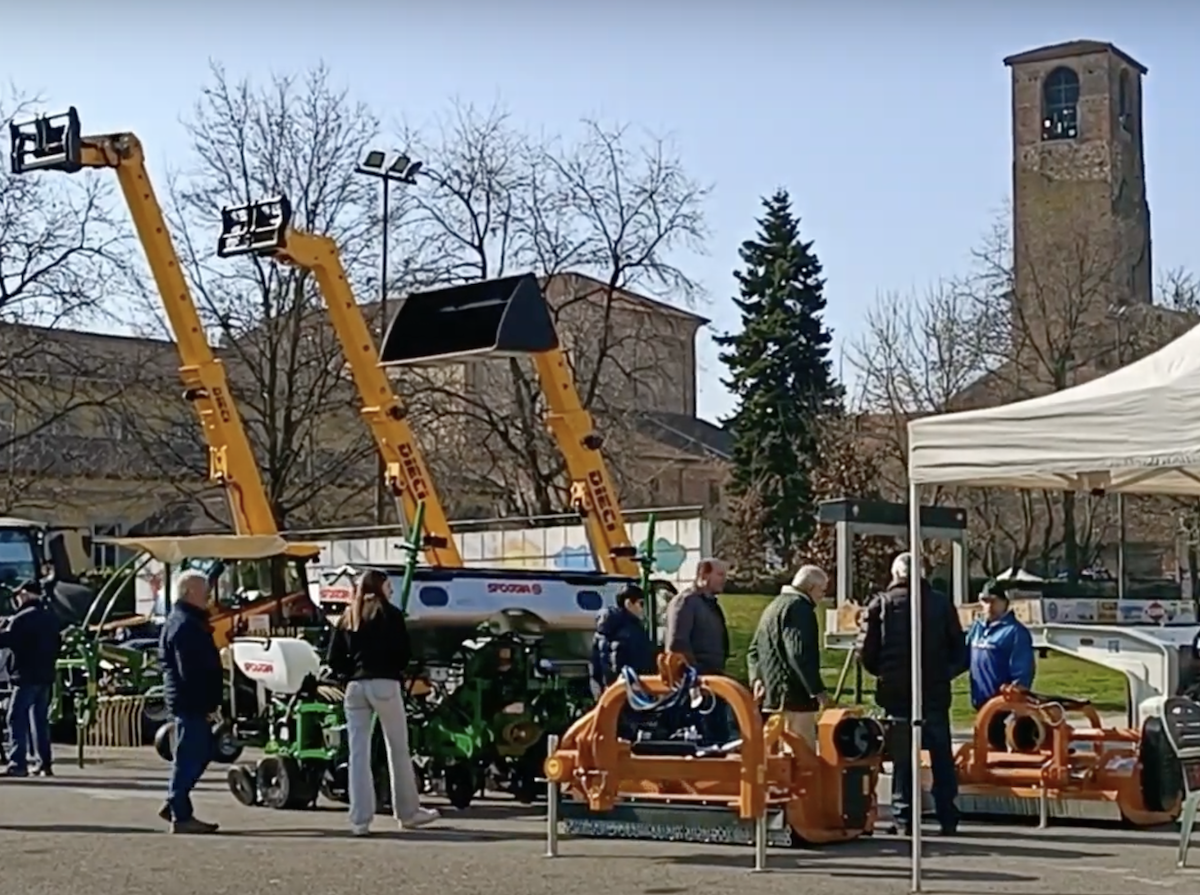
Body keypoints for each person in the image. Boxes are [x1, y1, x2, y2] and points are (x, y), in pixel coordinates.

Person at [858, 552, 966, 836]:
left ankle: (903, 817)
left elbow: (866, 653)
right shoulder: (942, 605)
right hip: (934, 690)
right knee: (941, 754)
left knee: (903, 757)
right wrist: (943, 673)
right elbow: (960, 651)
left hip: (895, 692)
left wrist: (884, 672)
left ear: (895, 575)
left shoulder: (881, 604)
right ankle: (947, 815)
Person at [326, 569, 439, 836]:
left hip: (355, 687)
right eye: (388, 585)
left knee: (357, 753)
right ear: (381, 586)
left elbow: (334, 658)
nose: (391, 590)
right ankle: (408, 812)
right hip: (385, 683)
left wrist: (347, 675)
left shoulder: (347, 617)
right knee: (397, 747)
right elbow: (403, 653)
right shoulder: (390, 614)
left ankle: (360, 820)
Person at [159, 570, 223, 833]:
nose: (208, 594)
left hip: (188, 698)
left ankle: (175, 803)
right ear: (189, 592)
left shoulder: (184, 621)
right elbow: (191, 670)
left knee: (201, 751)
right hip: (190, 700)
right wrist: (207, 703)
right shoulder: (185, 625)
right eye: (204, 589)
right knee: (190, 755)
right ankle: (180, 812)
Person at [747, 565, 832, 753]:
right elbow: (798, 653)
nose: (822, 596)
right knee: (801, 759)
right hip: (795, 697)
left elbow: (753, 650)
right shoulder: (800, 608)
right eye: (822, 590)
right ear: (810, 588)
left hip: (772, 697)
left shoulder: (773, 606)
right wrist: (817, 690)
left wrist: (757, 678)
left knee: (772, 761)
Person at [664, 558, 732, 743]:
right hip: (696, 684)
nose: (724, 579)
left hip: (713, 680)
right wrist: (694, 678)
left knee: (718, 737)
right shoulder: (686, 602)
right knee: (703, 737)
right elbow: (677, 644)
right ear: (703, 574)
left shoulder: (709, 604)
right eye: (719, 574)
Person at [0, 580, 61, 777]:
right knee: (39, 721)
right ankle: (44, 763)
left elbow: (7, 640)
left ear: (25, 594)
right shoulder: (50, 617)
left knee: (15, 717)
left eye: (18, 595)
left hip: (25, 675)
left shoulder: (21, 619)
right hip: (45, 675)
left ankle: (17, 763)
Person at [965, 586, 1035, 710]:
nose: (989, 606)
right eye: (985, 601)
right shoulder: (977, 628)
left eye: (994, 601)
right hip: (981, 705)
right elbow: (963, 657)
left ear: (1005, 603)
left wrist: (1016, 693)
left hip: (1005, 706)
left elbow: (1022, 672)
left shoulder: (1015, 632)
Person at [591, 583, 656, 691]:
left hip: (609, 693)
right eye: (641, 603)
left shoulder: (602, 631)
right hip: (631, 692)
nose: (643, 609)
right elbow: (644, 664)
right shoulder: (633, 631)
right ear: (629, 603)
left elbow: (595, 665)